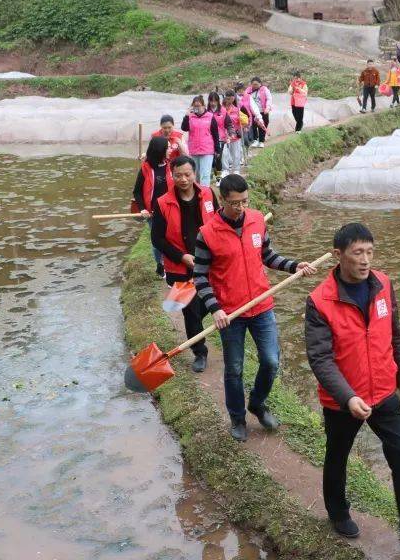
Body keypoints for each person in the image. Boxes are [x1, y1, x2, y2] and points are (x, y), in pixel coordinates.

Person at [304, 223, 400, 556]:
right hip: (343, 400)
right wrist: (347, 396)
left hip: (383, 391)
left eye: (370, 252)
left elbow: (394, 335)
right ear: (338, 256)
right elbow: (320, 359)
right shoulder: (320, 301)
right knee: (338, 456)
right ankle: (338, 512)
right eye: (357, 253)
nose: (365, 260)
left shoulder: (383, 284)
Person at [193, 174, 317, 441]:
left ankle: (257, 404)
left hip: (261, 306)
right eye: (235, 203)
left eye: (245, 202)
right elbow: (200, 276)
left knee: (271, 362)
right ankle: (237, 419)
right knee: (234, 368)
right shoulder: (207, 234)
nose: (241, 208)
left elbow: (268, 256)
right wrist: (215, 308)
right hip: (230, 314)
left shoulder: (257, 220)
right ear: (223, 201)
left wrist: (294, 266)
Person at [151, 155, 218, 372]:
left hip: (209, 263)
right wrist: (182, 257)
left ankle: (198, 325)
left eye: (187, 174)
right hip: (180, 268)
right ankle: (200, 352)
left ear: (194, 174)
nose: (183, 179)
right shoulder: (163, 202)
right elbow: (157, 239)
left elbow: (218, 223)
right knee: (189, 311)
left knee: (200, 307)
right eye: (178, 175)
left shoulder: (207, 194)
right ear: (172, 175)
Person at [132, 135, 174, 278]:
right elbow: (137, 191)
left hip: (169, 209)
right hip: (152, 213)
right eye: (168, 147)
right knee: (157, 240)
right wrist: (143, 208)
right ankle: (160, 264)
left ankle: (170, 264)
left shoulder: (170, 165)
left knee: (170, 238)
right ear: (160, 150)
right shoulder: (145, 168)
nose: (171, 149)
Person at [181, 95, 219, 187]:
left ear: (204, 106)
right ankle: (197, 194)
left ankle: (205, 195)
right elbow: (184, 128)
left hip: (207, 150)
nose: (197, 108)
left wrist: (217, 149)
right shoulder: (190, 117)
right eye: (195, 106)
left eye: (199, 106)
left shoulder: (210, 117)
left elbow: (215, 134)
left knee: (205, 175)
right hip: (194, 149)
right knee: (196, 175)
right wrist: (186, 115)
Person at [220, 91, 243, 177]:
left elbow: (244, 120)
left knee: (236, 154)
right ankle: (225, 170)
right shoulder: (220, 110)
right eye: (227, 99)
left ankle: (236, 169)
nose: (229, 101)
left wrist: (244, 125)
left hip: (234, 135)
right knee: (224, 154)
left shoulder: (237, 110)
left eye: (230, 99)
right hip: (223, 136)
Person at [246, 77, 272, 147]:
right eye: (253, 84)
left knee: (262, 126)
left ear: (260, 84)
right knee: (253, 126)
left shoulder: (264, 89)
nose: (255, 86)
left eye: (256, 84)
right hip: (252, 112)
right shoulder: (248, 90)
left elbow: (269, 98)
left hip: (263, 111)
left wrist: (268, 107)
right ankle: (255, 140)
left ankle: (261, 141)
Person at [207, 91, 224, 178]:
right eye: (211, 101)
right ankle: (211, 175)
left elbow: (228, 124)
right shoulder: (206, 112)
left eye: (215, 101)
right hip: (209, 139)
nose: (213, 103)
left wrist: (231, 132)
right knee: (211, 159)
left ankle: (218, 178)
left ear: (218, 101)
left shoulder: (222, 111)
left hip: (220, 139)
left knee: (218, 159)